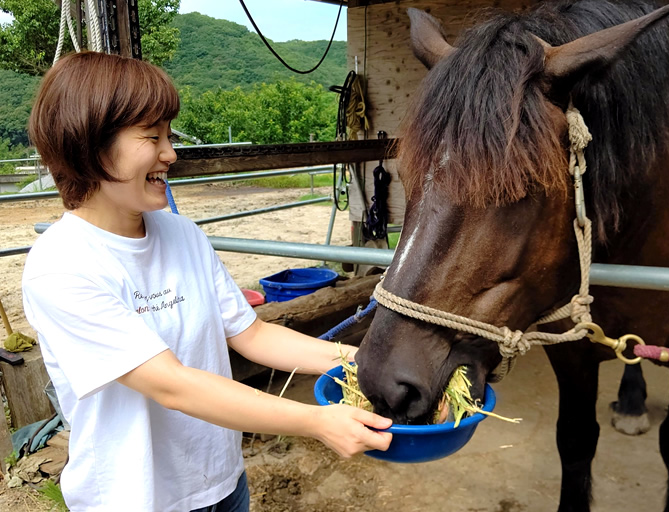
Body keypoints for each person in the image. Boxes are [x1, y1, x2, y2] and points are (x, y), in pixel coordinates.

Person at [21, 51, 392, 512]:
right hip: (137, 499)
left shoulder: (182, 234)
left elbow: (252, 334)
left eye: (169, 136)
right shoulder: (62, 265)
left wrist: (366, 361)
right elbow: (172, 384)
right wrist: (317, 422)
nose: (170, 153)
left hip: (221, 482)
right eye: (151, 136)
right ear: (90, 145)